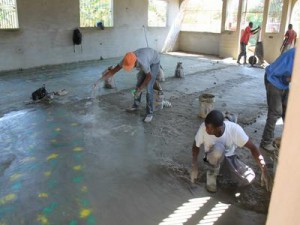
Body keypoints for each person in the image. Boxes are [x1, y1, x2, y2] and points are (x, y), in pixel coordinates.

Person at [191, 110, 270, 193]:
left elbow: (253, 148)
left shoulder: (235, 129)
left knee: (249, 178)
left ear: (218, 128)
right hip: (211, 159)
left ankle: (229, 117)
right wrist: (194, 165)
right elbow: (196, 145)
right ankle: (211, 175)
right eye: (206, 126)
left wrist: (264, 169)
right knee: (218, 149)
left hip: (229, 159)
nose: (206, 129)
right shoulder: (203, 127)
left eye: (209, 128)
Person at [101, 47, 161, 123]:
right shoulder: (126, 59)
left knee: (149, 87)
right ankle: (136, 105)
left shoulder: (143, 62)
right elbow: (113, 71)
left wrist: (140, 89)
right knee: (139, 83)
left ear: (135, 62)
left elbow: (149, 76)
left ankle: (149, 113)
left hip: (154, 61)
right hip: (147, 56)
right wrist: (99, 80)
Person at [260, 48, 296, 152]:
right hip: (273, 79)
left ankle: (288, 138)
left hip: (283, 81)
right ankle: (265, 142)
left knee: (288, 110)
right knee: (275, 112)